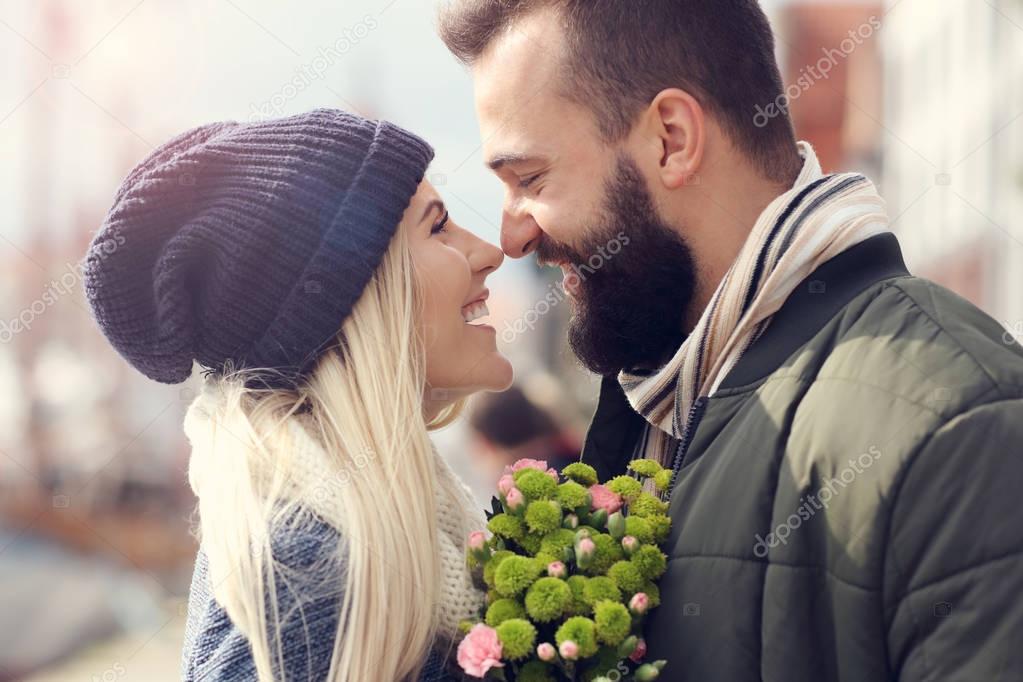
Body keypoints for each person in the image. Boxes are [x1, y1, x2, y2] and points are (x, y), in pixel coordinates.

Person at [438, 2, 1023, 679]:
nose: (511, 236)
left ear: (670, 139)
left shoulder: (961, 420)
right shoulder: (653, 403)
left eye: (529, 179)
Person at [82, 108, 512, 681]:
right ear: (354, 300)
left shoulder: (370, 531)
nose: (490, 250)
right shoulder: (305, 569)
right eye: (438, 227)